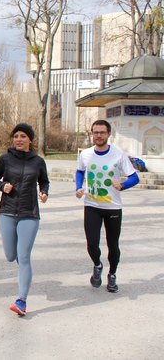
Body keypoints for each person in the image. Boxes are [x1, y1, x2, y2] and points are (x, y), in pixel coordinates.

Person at [0, 123, 49, 316]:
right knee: (10, 255)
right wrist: (2, 186)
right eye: (16, 136)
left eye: (23, 136)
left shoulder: (38, 162)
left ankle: (21, 300)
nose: (19, 139)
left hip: (29, 214)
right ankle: (21, 269)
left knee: (23, 257)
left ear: (30, 140)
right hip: (7, 212)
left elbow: (44, 181)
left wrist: (44, 192)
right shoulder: (5, 159)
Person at [75, 119, 139, 293]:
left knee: (113, 244)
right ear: (92, 133)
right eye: (96, 132)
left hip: (113, 207)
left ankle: (112, 274)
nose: (99, 135)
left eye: (102, 132)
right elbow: (80, 171)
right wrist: (78, 187)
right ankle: (97, 265)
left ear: (108, 134)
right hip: (91, 205)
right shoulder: (86, 154)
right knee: (92, 244)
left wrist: (122, 185)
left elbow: (135, 177)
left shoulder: (118, 155)